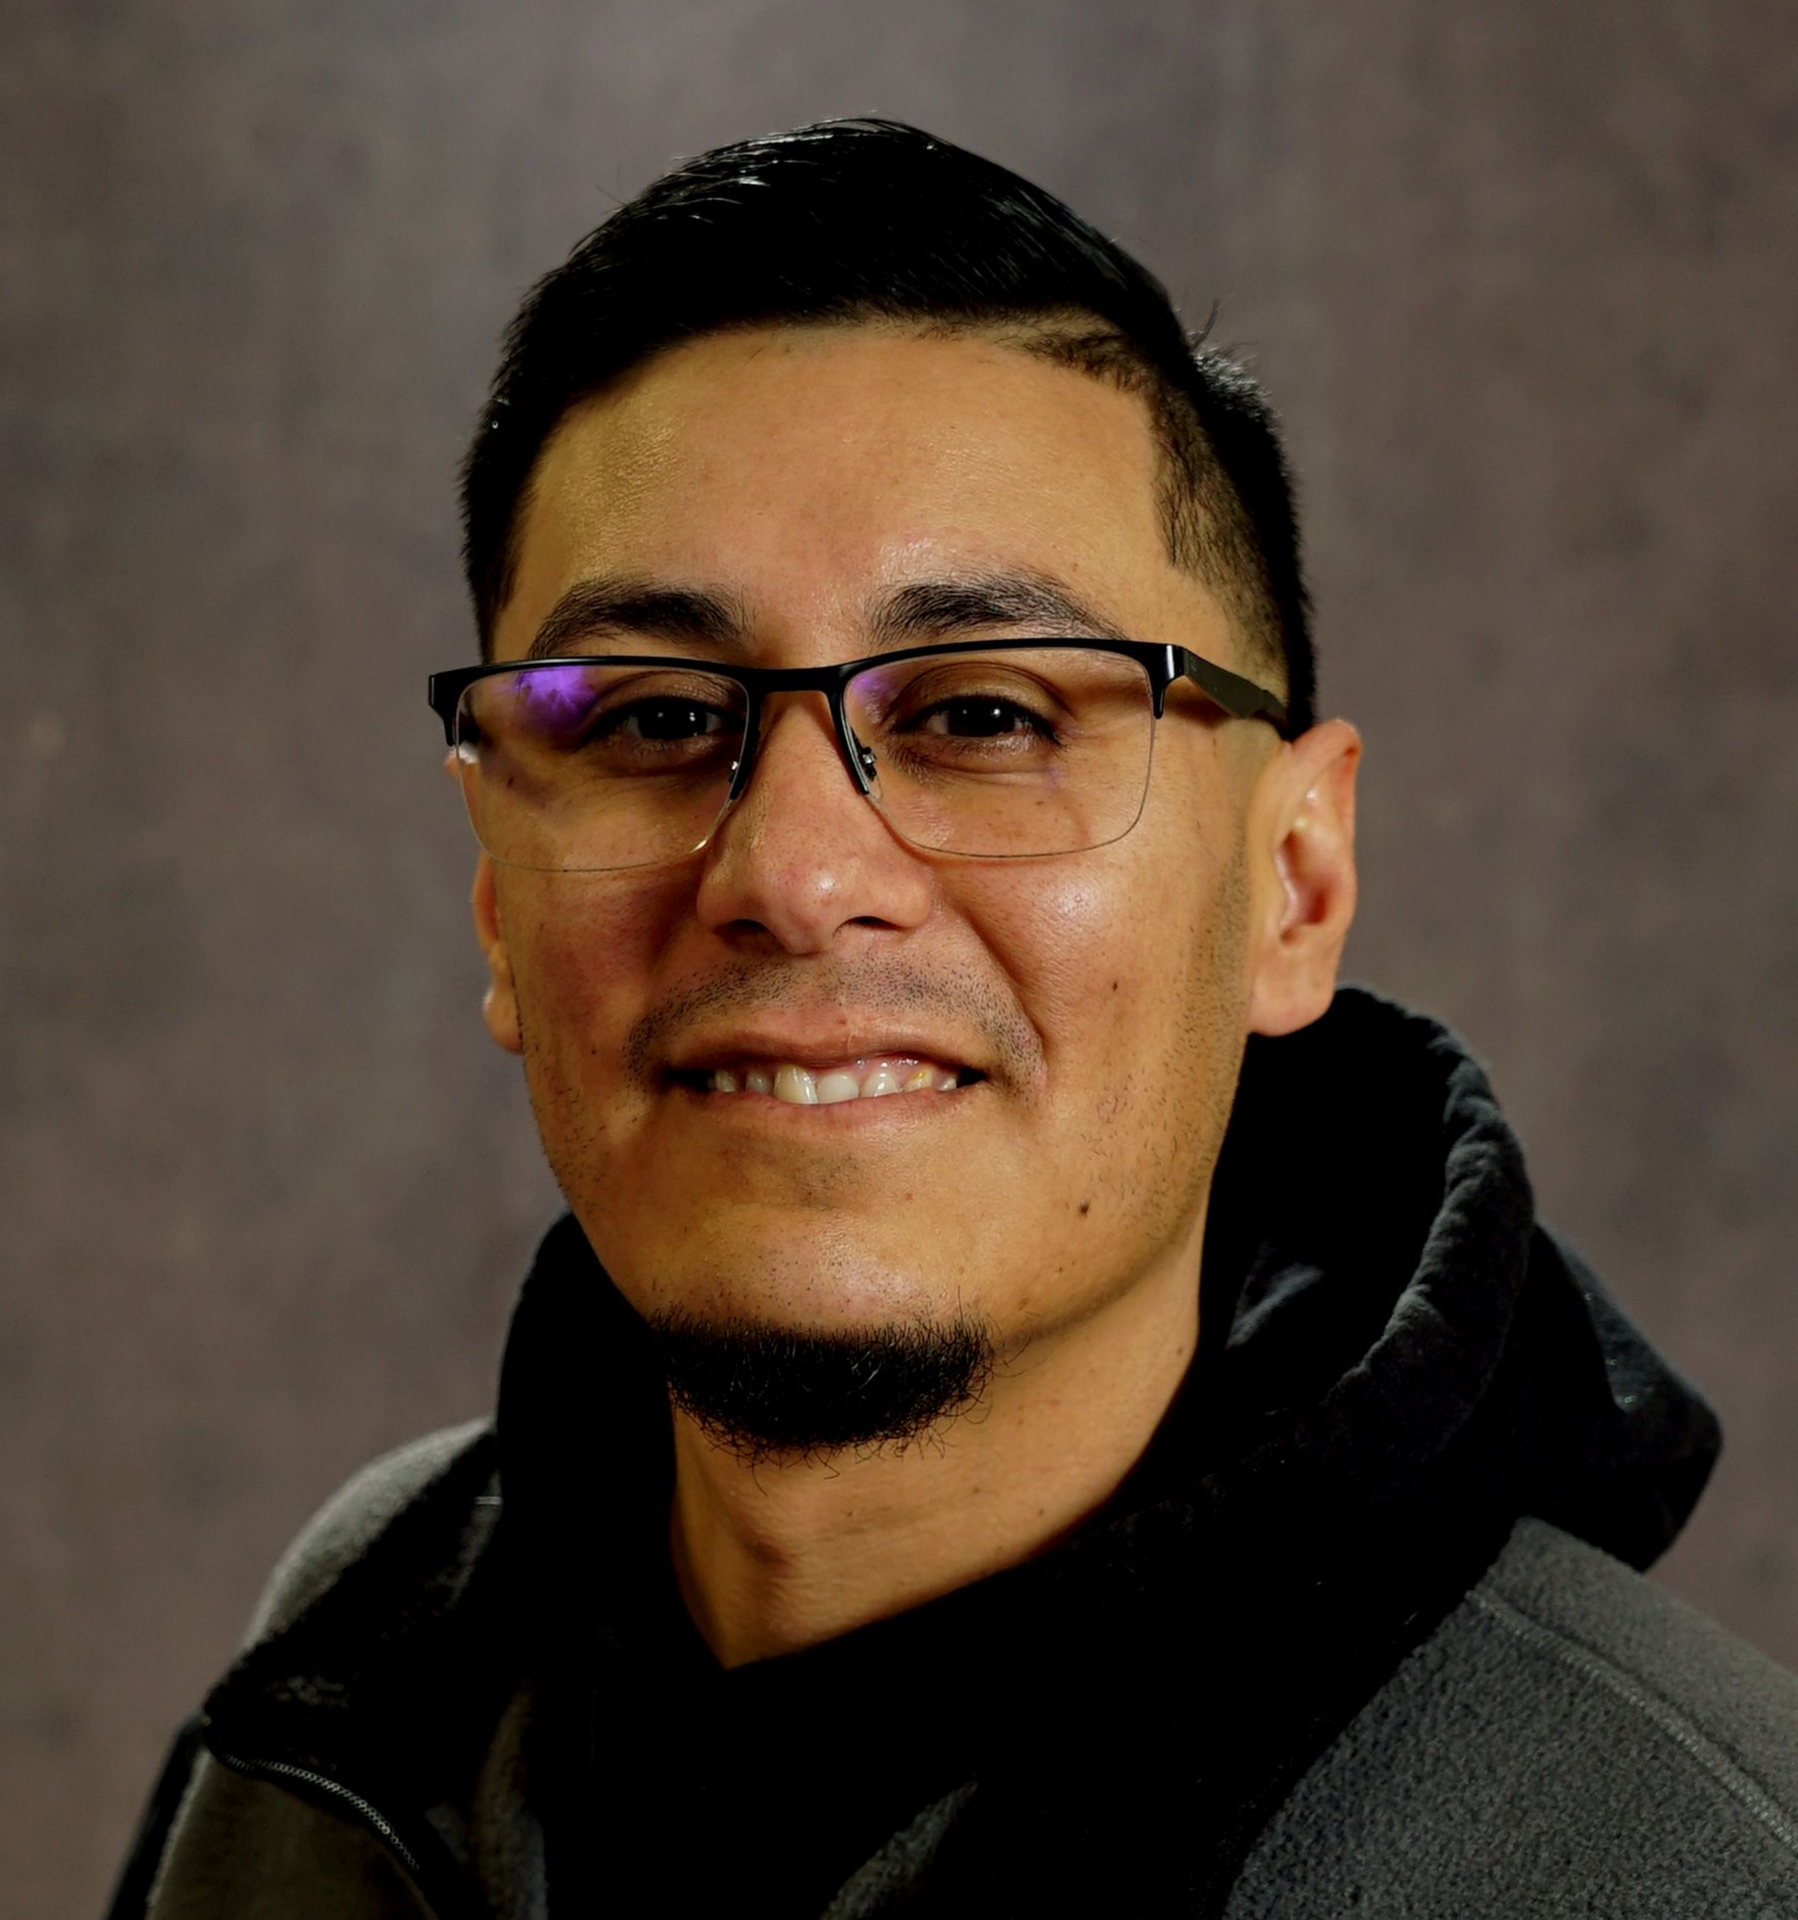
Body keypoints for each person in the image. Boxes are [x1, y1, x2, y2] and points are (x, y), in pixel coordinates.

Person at [109, 117, 1798, 1918]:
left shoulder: (1694, 1870)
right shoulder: (350, 1688)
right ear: (497, 908)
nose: (787, 869)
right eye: (656, 721)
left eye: (985, 716)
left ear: (1294, 886)